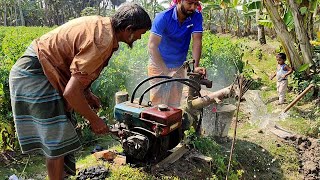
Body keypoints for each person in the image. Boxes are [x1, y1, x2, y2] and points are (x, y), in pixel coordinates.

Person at [9, 3, 151, 180]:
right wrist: (94, 120)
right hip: (34, 74)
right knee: (57, 137)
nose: (139, 38)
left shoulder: (104, 26)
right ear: (129, 29)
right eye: (141, 33)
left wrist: (87, 93)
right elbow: (71, 93)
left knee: (61, 133)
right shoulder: (102, 41)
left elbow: (77, 67)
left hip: (44, 70)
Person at [148, 0, 206, 107]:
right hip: (158, 65)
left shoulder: (196, 16)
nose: (193, 7)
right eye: (190, 3)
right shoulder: (163, 17)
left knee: (174, 105)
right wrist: (166, 71)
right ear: (179, 1)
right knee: (158, 107)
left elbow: (197, 40)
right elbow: (152, 46)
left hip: (179, 66)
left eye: (196, 4)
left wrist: (196, 66)